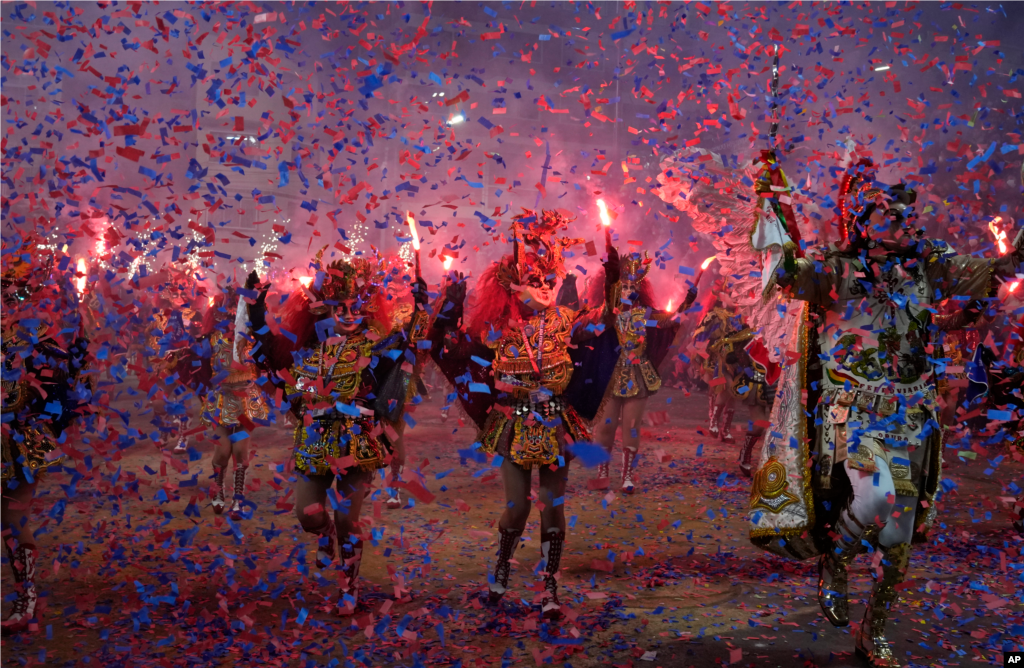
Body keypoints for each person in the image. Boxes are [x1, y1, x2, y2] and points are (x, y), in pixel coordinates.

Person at [752, 160, 1023, 668]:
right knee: (873, 497)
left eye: (906, 214)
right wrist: (771, 207)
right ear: (863, 220)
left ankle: (872, 633)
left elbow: (1001, 271)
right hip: (853, 412)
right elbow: (785, 274)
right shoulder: (834, 270)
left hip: (911, 415)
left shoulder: (929, 267)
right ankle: (835, 560)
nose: (905, 222)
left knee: (897, 536)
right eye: (891, 214)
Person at [430, 209, 601, 619]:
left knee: (552, 506)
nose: (543, 288)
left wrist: (612, 283)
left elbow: (601, 325)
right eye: (533, 282)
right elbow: (450, 347)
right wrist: (449, 304)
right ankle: (502, 565)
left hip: (556, 424)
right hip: (513, 426)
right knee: (518, 508)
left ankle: (550, 587)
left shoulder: (563, 321)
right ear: (513, 287)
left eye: (547, 281)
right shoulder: (496, 332)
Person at [251, 248, 427, 614]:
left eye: (354, 307)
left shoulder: (377, 347)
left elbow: (408, 354)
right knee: (308, 514)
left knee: (349, 517)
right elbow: (291, 389)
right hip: (315, 441)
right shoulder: (308, 351)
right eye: (340, 307)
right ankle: (325, 534)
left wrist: (421, 314)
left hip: (357, 441)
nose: (348, 315)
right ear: (325, 310)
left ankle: (350, 587)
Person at [0, 239, 88, 634]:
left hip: (19, 442)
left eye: (14, 290)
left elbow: (51, 394)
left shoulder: (43, 342)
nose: (7, 297)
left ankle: (26, 597)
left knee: (10, 518)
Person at [566, 245, 694, 493]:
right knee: (605, 428)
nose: (627, 291)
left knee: (631, 427)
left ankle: (627, 477)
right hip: (609, 376)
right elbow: (585, 333)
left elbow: (668, 321)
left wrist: (686, 304)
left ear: (639, 291)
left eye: (632, 288)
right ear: (615, 289)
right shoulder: (606, 316)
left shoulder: (643, 314)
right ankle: (603, 473)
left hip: (636, 375)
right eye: (623, 287)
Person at [200, 272, 271, 520]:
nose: (233, 316)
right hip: (222, 399)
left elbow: (266, 363)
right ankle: (218, 489)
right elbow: (202, 365)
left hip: (246, 399)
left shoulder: (254, 339)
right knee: (222, 452)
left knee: (241, 452)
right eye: (229, 311)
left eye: (237, 311)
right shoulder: (213, 339)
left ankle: (238, 498)